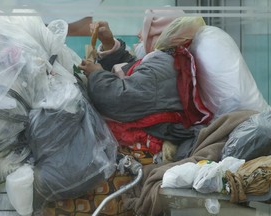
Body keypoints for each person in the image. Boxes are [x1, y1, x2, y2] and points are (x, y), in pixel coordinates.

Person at [79, 14, 213, 160]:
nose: (138, 34)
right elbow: (134, 72)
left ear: (163, 36)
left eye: (146, 31)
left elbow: (119, 99)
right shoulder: (169, 61)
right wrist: (109, 43)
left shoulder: (161, 67)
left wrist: (96, 74)